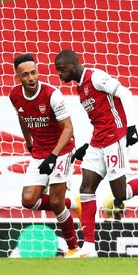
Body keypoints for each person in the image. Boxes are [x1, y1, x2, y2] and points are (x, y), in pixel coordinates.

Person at [54, 49, 138, 258]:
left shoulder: (95, 77)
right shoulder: (80, 88)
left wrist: (131, 127)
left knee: (120, 194)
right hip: (98, 141)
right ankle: (88, 247)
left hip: (115, 139)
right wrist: (87, 146)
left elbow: (125, 93)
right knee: (86, 188)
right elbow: (100, 118)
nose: (59, 75)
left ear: (73, 64)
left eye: (61, 70)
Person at [10, 53, 82, 257]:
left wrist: (53, 156)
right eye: (25, 75)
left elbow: (68, 130)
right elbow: (23, 118)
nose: (31, 78)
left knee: (57, 203)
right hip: (40, 151)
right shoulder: (15, 96)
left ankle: (73, 249)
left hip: (62, 150)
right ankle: (74, 204)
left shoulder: (52, 94)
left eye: (34, 72)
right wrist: (29, 142)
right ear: (18, 77)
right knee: (28, 200)